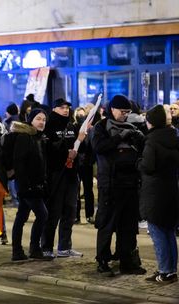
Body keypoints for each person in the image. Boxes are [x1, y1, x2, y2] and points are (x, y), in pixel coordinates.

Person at [91, 95, 146, 276]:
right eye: (122, 112)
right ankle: (103, 260)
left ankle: (127, 261)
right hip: (110, 184)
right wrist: (119, 138)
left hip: (130, 184)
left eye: (128, 112)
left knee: (128, 226)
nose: (125, 115)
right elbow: (99, 147)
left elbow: (142, 150)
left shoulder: (132, 126)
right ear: (112, 109)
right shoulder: (101, 127)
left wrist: (138, 137)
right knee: (107, 224)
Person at [139, 105, 179, 283]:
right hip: (171, 189)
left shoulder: (152, 141)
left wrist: (137, 162)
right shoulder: (174, 137)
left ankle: (164, 271)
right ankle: (171, 270)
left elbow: (147, 166)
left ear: (151, 122)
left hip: (155, 193)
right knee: (169, 232)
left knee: (157, 232)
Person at [41, 98, 85, 258]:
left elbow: (80, 147)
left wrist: (81, 142)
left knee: (70, 211)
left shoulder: (70, 125)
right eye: (62, 107)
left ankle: (64, 247)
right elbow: (47, 150)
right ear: (54, 109)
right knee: (53, 212)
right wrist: (65, 153)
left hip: (72, 174)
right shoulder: (49, 125)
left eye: (67, 107)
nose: (65, 110)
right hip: (56, 174)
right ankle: (46, 247)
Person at [11, 108, 52, 260]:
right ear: (31, 120)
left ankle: (18, 251)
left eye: (44, 120)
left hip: (35, 185)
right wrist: (25, 185)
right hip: (27, 186)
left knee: (21, 216)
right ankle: (34, 248)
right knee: (43, 215)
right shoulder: (24, 137)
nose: (41, 122)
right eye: (38, 119)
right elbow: (19, 162)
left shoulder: (39, 138)